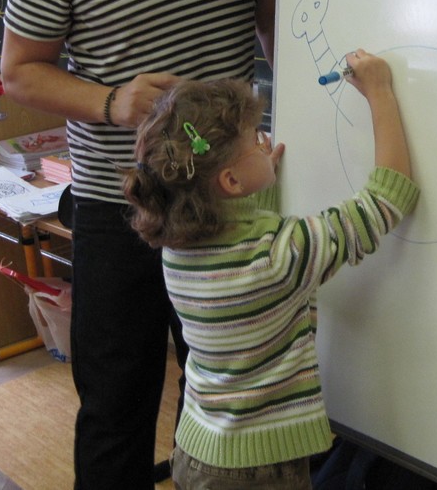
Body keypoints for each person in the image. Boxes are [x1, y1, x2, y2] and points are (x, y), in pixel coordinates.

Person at [0, 0, 277, 488]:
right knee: (115, 407)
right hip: (119, 209)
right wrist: (110, 101)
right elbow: (19, 71)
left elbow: (281, 26)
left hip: (229, 203)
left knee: (221, 398)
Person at [123, 49, 419, 490]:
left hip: (196, 451)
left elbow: (239, 247)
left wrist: (254, 182)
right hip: (258, 471)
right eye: (253, 140)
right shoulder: (280, 254)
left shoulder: (177, 249)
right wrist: (380, 93)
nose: (264, 142)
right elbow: (384, 201)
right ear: (230, 182)